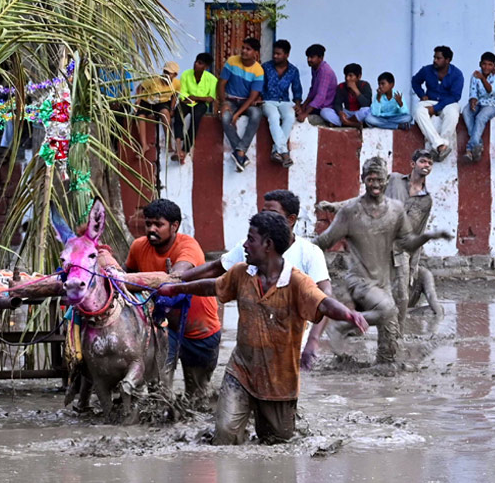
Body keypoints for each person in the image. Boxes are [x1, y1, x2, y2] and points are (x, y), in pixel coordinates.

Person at [160, 211, 367, 444]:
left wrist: (349, 314)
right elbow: (213, 286)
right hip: (241, 371)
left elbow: (323, 302)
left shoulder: (297, 282)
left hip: (279, 381)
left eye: (250, 239)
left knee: (277, 442)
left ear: (268, 245)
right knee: (225, 435)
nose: (245, 245)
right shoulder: (241, 273)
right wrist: (176, 288)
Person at [314, 157, 450, 364]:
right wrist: (295, 250)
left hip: (392, 264)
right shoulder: (351, 211)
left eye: (379, 180)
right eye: (370, 180)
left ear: (385, 181)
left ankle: (387, 359)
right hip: (361, 275)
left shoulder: (398, 208)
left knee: (398, 306)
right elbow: (324, 241)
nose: (375, 185)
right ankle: (343, 326)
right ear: (363, 180)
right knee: (387, 309)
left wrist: (429, 237)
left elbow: (408, 241)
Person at [192, 190, 334, 369]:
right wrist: (174, 280)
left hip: (292, 343)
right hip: (253, 342)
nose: (265, 218)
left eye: (272, 214)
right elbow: (216, 269)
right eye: (262, 212)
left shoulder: (309, 253)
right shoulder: (250, 246)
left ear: (291, 220)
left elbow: (325, 296)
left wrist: (313, 342)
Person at [119, 199, 220, 402]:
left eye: (158, 224)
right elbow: (124, 277)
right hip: (163, 328)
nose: (151, 229)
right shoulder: (138, 247)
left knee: (197, 394)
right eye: (148, 224)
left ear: (174, 226)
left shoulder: (189, 246)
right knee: (159, 388)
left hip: (200, 330)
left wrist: (166, 280)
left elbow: (179, 274)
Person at [385, 149, 445, 323]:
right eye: (423, 161)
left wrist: (412, 269)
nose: (426, 165)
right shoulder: (394, 179)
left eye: (430, 163)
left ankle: (399, 332)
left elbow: (419, 234)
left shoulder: (426, 200)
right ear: (413, 164)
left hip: (401, 251)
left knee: (401, 294)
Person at [219, 37, 265, 172]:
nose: (244, 51)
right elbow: (221, 83)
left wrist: (237, 114)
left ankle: (240, 151)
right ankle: (241, 153)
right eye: (243, 47)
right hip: (231, 100)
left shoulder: (258, 70)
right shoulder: (232, 61)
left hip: (246, 102)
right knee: (225, 117)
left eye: (248, 49)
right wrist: (223, 103)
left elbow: (252, 98)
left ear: (255, 53)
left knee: (256, 113)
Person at [411, 45, 464, 161]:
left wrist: (436, 108)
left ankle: (444, 142)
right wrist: (422, 95)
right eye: (434, 57)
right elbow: (415, 81)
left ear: (447, 60)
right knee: (418, 110)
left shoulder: (457, 74)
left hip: (447, 102)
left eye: (438, 58)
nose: (435, 60)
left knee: (453, 112)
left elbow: (455, 96)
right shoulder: (427, 70)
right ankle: (439, 144)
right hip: (430, 99)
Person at [261, 40, 302, 167]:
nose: (275, 56)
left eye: (278, 54)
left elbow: (297, 90)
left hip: (284, 101)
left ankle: (276, 150)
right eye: (274, 53)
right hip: (267, 101)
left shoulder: (293, 71)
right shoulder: (266, 67)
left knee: (290, 117)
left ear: (287, 55)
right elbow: (260, 86)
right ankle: (284, 152)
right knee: (274, 117)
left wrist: (298, 105)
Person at [172, 53, 218, 164]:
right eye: (196, 61)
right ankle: (178, 148)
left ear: (206, 67)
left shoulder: (212, 79)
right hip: (187, 101)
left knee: (196, 118)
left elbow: (210, 98)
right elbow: (182, 94)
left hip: (201, 104)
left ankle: (185, 149)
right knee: (178, 113)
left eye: (200, 63)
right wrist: (189, 99)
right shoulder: (186, 75)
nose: (196, 64)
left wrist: (196, 98)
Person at [461, 51, 495, 162]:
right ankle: (478, 143)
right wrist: (473, 100)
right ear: (480, 64)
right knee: (466, 111)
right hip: (480, 103)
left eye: (490, 64)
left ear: (494, 66)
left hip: (494, 104)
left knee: (480, 117)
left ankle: (470, 149)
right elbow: (473, 92)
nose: (486, 67)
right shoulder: (475, 75)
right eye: (484, 64)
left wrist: (482, 79)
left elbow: (491, 91)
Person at [135, 61, 179, 159]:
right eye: (165, 72)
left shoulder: (176, 83)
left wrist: (172, 108)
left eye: (169, 73)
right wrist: (138, 100)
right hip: (148, 100)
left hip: (162, 102)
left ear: (175, 75)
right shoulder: (154, 79)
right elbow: (140, 88)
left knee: (165, 114)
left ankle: (169, 144)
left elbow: (175, 96)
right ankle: (144, 146)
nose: (166, 74)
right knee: (141, 116)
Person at [321, 62, 371, 128]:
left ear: (359, 76)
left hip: (358, 114)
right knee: (324, 111)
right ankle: (350, 124)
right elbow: (337, 103)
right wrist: (340, 112)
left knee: (367, 110)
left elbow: (367, 104)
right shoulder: (341, 87)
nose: (347, 78)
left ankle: (345, 123)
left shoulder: (365, 85)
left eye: (350, 76)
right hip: (347, 113)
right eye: (346, 75)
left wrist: (356, 90)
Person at [296, 43, 336, 123]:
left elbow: (320, 97)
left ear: (320, 58)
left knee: (298, 114)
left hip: (325, 106)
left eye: (312, 57)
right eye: (308, 57)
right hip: (316, 105)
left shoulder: (325, 71)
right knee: (295, 109)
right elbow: (313, 90)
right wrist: (304, 105)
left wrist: (305, 113)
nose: (309, 60)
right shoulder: (315, 68)